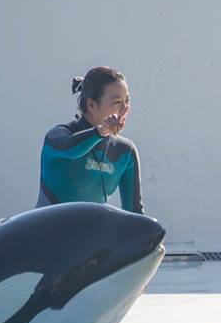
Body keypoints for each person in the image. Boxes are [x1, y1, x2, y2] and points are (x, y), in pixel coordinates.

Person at [36, 66, 143, 214]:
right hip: (48, 227)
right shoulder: (58, 136)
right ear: (92, 105)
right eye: (117, 102)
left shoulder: (125, 151)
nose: (124, 109)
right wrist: (101, 131)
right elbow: (71, 150)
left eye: (127, 101)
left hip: (91, 229)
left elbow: (134, 212)